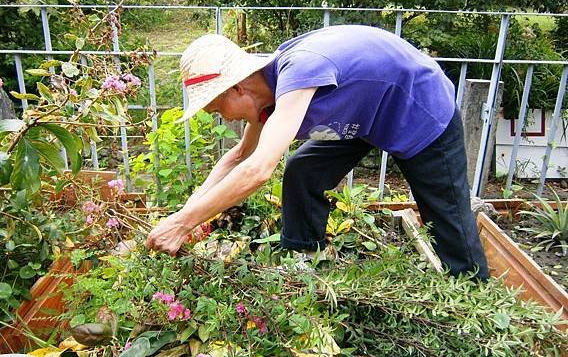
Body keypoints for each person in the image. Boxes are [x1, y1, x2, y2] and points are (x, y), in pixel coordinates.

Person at [145, 25, 489, 280]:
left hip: (418, 108)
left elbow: (259, 170)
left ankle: (473, 294)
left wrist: (182, 224)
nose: (227, 119)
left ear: (237, 87)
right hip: (364, 116)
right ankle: (301, 261)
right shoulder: (268, 96)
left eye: (220, 110)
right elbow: (239, 158)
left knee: (446, 215)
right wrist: (184, 216)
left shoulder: (299, 73)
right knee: (303, 170)